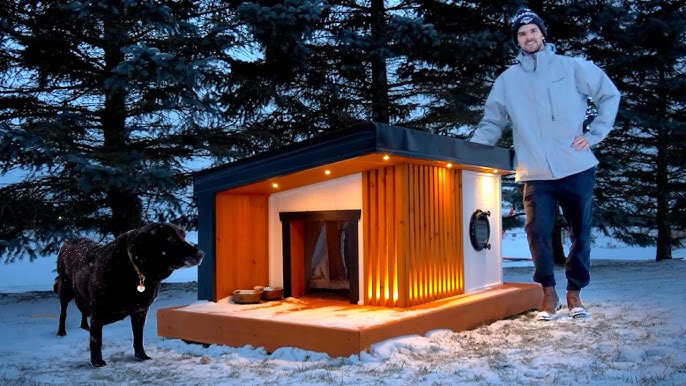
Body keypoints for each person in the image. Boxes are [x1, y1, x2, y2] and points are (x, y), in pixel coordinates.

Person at [470, 7, 620, 320]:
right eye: (522, 34)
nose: (528, 37)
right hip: (536, 172)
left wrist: (594, 134)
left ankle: (574, 293)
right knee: (536, 232)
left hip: (576, 166)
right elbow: (491, 122)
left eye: (532, 31)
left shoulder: (571, 67)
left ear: (542, 33)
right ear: (517, 41)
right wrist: (469, 155)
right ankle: (548, 293)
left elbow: (608, 94)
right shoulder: (508, 81)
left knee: (581, 233)